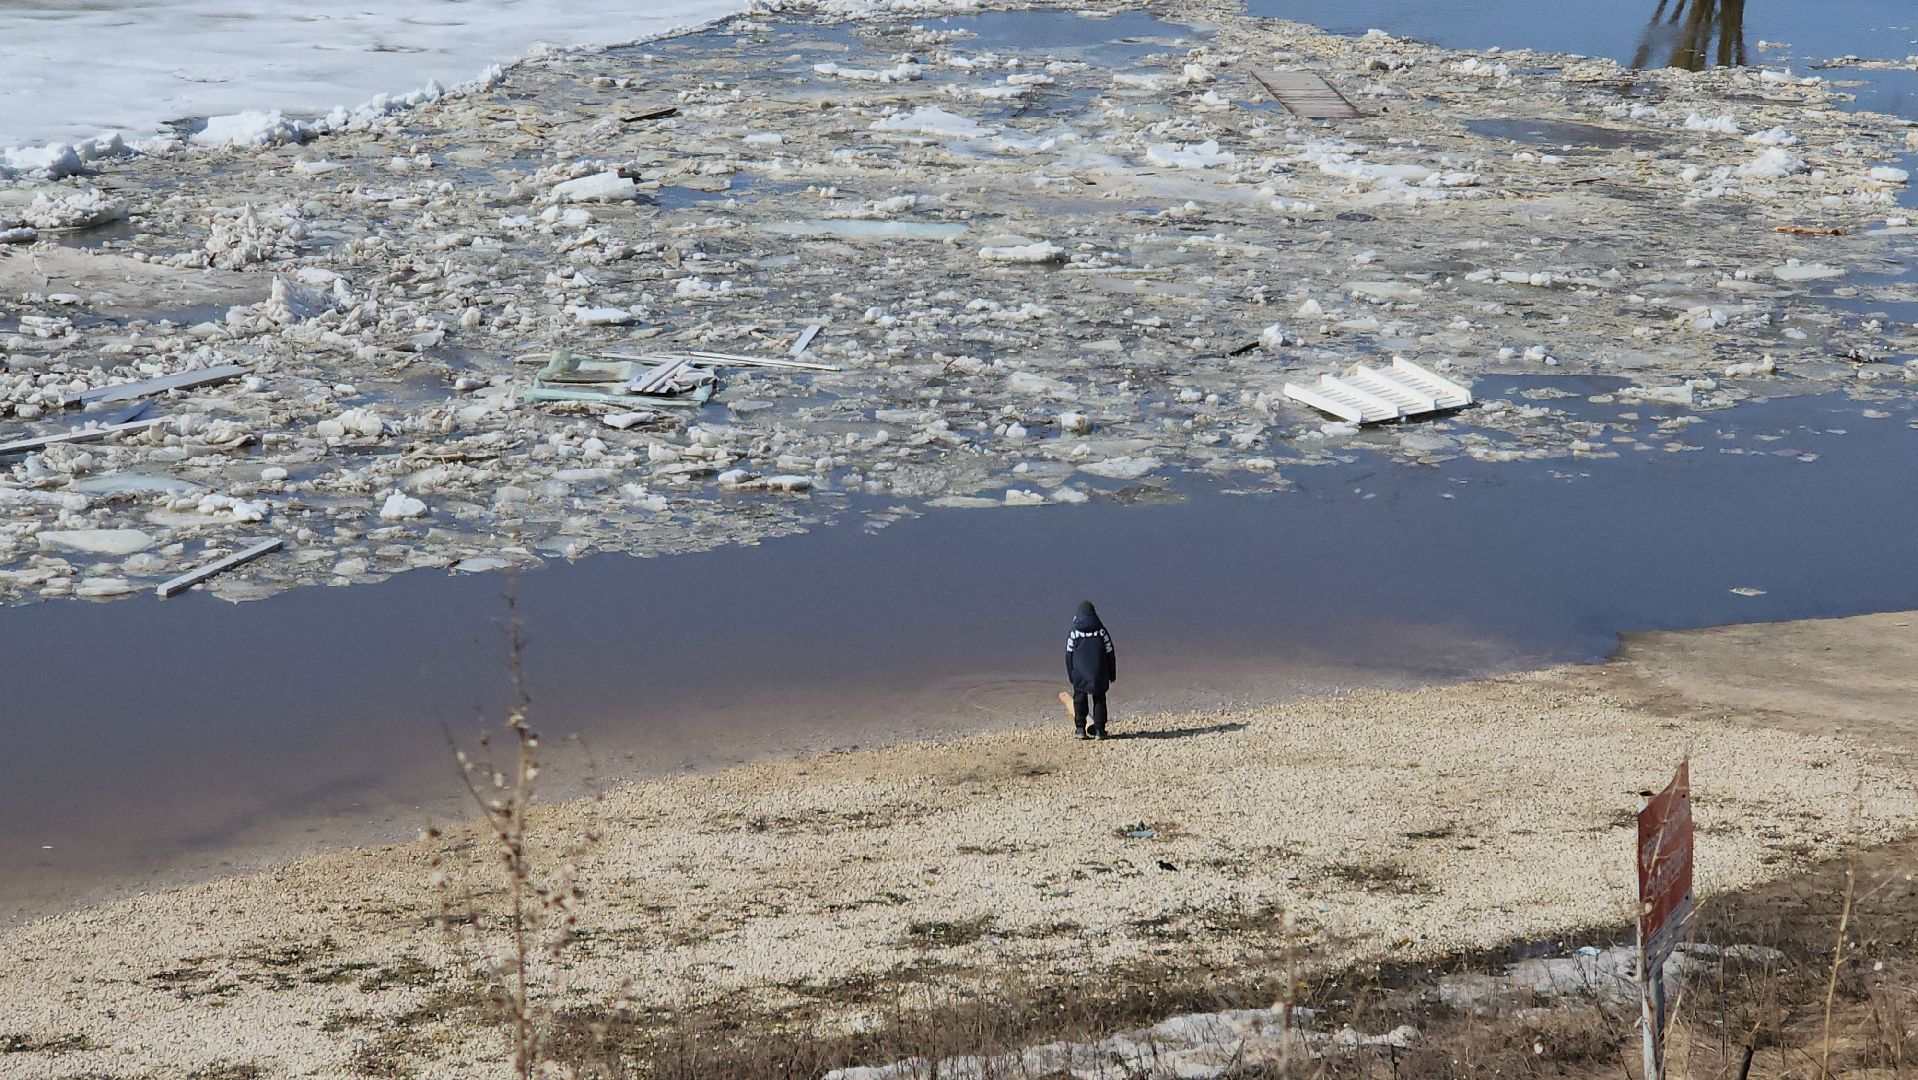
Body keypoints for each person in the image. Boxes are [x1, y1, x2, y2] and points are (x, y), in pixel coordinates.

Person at [1061, 600, 1117, 740]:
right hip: (1099, 673)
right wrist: (1112, 673)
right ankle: (1099, 730)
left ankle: (1080, 729)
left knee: (1079, 700)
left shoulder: (1074, 632)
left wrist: (1071, 674)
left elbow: (1068, 655)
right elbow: (1110, 652)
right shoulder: (1101, 631)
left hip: (1079, 674)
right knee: (1099, 700)